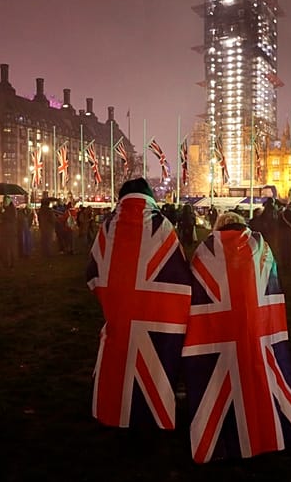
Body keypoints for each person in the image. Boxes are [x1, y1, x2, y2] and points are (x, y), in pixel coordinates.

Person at [182, 211, 291, 462]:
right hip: (256, 329)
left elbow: (196, 292)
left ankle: (223, 429)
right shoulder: (262, 248)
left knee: (219, 382)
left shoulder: (205, 251)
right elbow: (271, 284)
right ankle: (265, 426)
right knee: (258, 376)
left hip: (221, 333)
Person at [86, 178, 191, 430]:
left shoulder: (107, 226)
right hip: (154, 320)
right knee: (155, 367)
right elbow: (180, 277)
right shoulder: (162, 226)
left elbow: (92, 273)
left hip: (119, 315)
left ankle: (116, 409)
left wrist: (113, 298)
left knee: (118, 361)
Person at [0, 196, 18, 269]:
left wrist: (4, 213)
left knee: (11, 248)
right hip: (3, 231)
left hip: (10, 231)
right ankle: (6, 262)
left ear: (9, 201)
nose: (5, 202)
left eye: (6, 201)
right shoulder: (3, 208)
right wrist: (0, 213)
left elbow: (12, 218)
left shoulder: (12, 209)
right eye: (4, 201)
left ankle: (12, 263)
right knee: (4, 248)